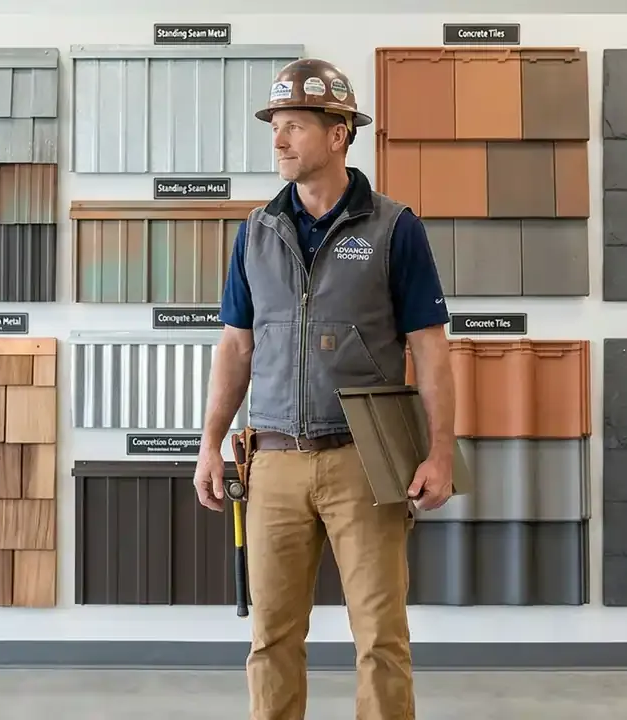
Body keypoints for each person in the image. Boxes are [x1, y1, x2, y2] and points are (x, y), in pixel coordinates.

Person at [191, 57, 457, 720]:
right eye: (275, 127)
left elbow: (430, 348)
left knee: (381, 640)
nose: (279, 140)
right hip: (273, 462)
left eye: (294, 127)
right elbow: (236, 347)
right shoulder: (255, 232)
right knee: (271, 640)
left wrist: (439, 452)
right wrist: (209, 444)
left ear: (338, 135)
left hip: (365, 462)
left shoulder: (395, 228)